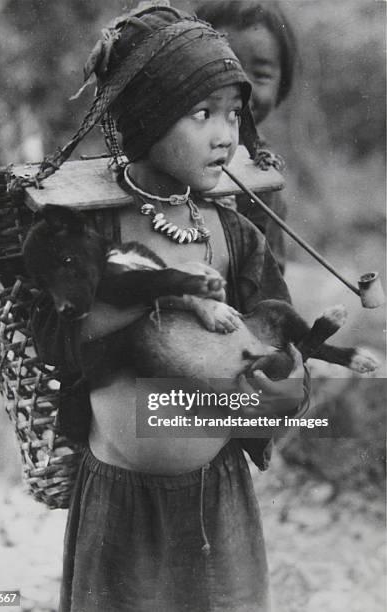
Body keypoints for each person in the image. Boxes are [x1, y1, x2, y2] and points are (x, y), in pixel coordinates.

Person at [30, 3, 309, 610]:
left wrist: (273, 371)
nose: (226, 134)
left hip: (216, 491)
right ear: (148, 115)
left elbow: (277, 337)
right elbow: (54, 339)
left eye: (234, 115)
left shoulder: (235, 233)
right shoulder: (90, 227)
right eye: (202, 113)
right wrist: (147, 294)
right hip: (118, 498)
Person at [196, 0, 298, 273]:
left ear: (281, 86)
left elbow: (272, 274)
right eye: (226, 66)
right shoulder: (170, 150)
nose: (243, 87)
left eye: (261, 75)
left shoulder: (264, 172)